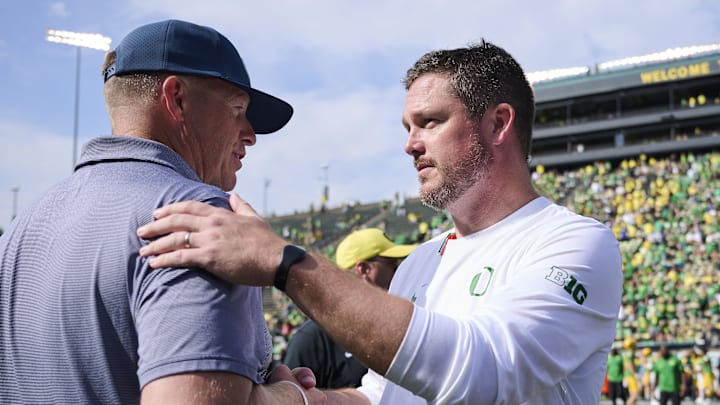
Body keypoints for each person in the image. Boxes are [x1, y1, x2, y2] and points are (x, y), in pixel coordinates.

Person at [137, 40, 623, 404]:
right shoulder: (418, 262)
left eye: (430, 122)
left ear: (498, 124)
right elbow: (379, 397)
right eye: (407, 128)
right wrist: (305, 401)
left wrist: (285, 262)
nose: (410, 144)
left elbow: (480, 372)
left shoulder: (574, 243)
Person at [0, 19, 324, 404]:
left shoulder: (19, 231)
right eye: (238, 109)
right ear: (178, 99)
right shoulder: (201, 220)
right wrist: (292, 396)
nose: (250, 134)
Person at [284, 228, 416, 388]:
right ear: (364, 269)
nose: (398, 271)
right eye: (392, 264)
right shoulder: (312, 340)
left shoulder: (400, 322)